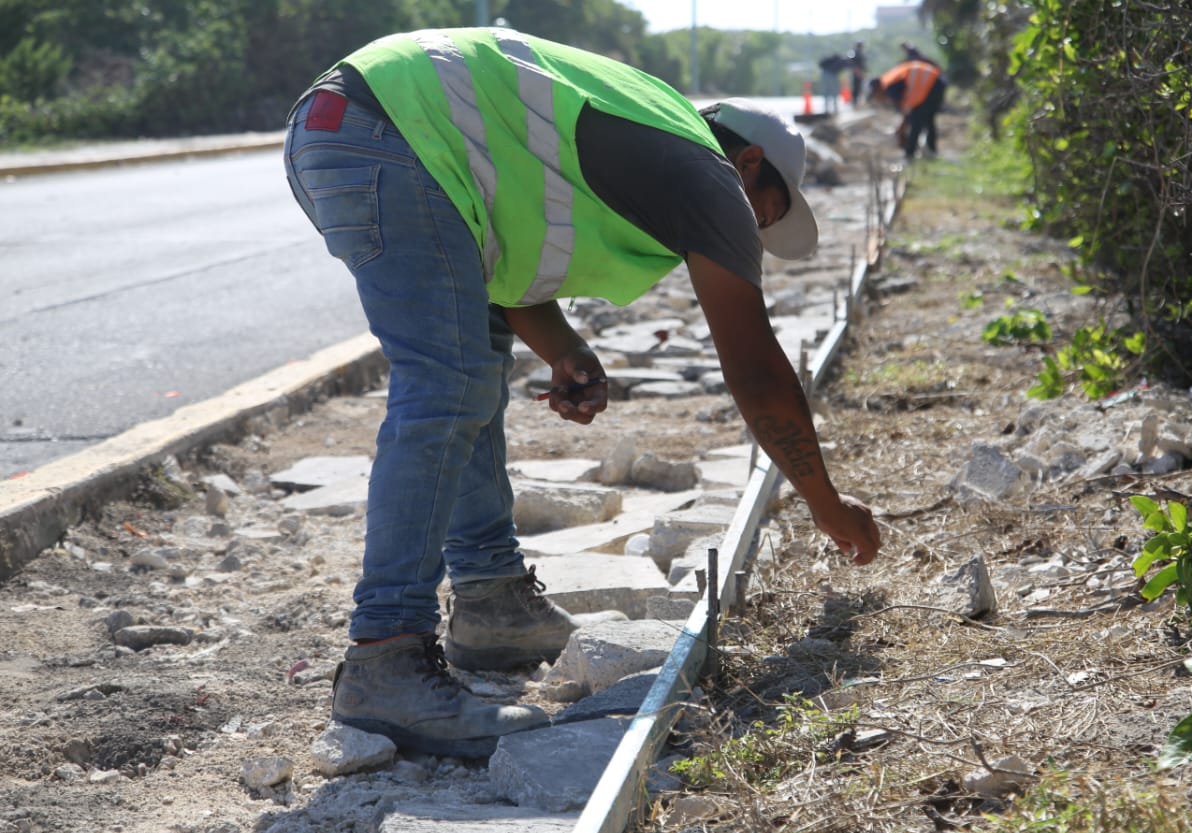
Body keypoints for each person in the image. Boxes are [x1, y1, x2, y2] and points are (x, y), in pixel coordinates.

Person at [283, 27, 882, 759]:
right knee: (447, 382)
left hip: (354, 126)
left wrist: (564, 348)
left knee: (471, 362)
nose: (753, 232)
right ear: (748, 162)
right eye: (767, 211)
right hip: (389, 131)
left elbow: (504, 261)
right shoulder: (708, 178)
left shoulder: (648, 134)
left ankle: (492, 603)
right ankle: (385, 659)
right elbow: (755, 369)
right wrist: (824, 500)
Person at [868, 59, 948, 159]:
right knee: (928, 120)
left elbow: (906, 109)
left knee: (916, 122)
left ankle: (910, 154)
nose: (877, 99)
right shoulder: (890, 79)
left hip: (930, 85)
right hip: (936, 81)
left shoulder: (889, 86)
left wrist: (901, 129)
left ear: (876, 89)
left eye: (875, 95)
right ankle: (931, 151)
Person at [846, 42, 868, 106]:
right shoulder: (854, 52)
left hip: (860, 72)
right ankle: (855, 102)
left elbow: (863, 64)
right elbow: (850, 62)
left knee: (860, 87)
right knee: (856, 87)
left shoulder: (860, 53)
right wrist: (856, 70)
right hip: (856, 72)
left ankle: (859, 102)